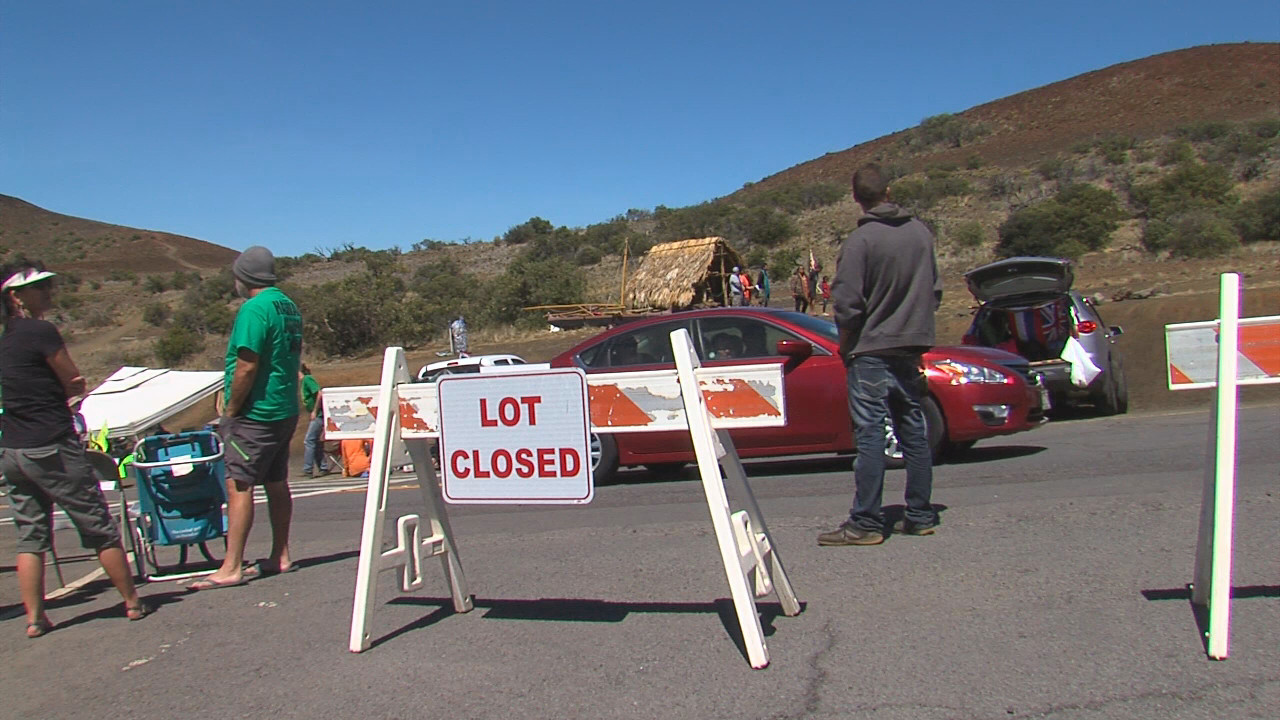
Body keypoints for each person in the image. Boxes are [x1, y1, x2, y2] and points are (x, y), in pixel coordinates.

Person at [0, 259, 151, 636]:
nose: (48, 293)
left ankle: (35, 618)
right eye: (40, 288)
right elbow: (73, 378)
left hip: (14, 448)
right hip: (51, 444)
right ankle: (132, 601)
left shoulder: (6, 340)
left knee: (31, 535)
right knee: (97, 525)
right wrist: (69, 390)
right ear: (16, 296)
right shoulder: (41, 331)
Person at [819, 163, 942, 547]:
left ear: (858, 199)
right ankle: (920, 514)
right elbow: (934, 290)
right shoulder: (920, 234)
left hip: (871, 349)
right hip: (910, 346)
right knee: (913, 431)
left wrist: (848, 340)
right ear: (889, 191)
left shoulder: (861, 242)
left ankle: (867, 522)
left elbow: (847, 303)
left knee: (870, 433)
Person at [190, 246, 303, 589]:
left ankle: (231, 565)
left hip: (256, 412)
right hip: (283, 407)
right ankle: (280, 554)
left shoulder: (254, 309)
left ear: (246, 276)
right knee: (276, 481)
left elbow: (247, 364)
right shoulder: (288, 305)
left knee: (239, 484)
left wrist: (230, 410)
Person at [299, 363, 329, 478]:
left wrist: (315, 411)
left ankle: (308, 468)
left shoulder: (308, 379)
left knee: (309, 440)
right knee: (315, 441)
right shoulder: (303, 382)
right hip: (315, 415)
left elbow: (319, 393)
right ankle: (323, 466)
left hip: (318, 415)